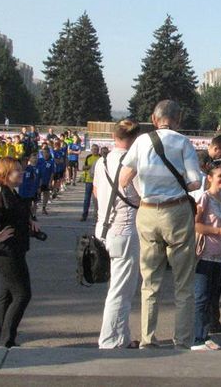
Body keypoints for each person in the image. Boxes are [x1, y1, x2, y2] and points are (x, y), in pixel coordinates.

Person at [119, 100, 203, 350]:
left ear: (154, 120)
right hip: (175, 212)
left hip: (146, 213)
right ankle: (182, 340)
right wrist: (175, 187)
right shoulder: (183, 143)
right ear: (177, 120)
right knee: (183, 282)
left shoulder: (142, 141)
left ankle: (148, 338)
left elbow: (124, 179)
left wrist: (145, 193)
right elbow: (196, 183)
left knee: (150, 280)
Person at [0, 157, 41, 348]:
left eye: (21, 170)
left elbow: (13, 217)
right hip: (6, 251)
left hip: (15, 249)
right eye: (16, 171)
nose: (21, 173)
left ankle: (1, 340)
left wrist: (30, 224)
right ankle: (7, 340)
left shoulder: (12, 192)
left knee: (7, 296)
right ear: (4, 174)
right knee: (22, 294)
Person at [95, 120, 141, 349]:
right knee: (121, 290)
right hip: (125, 230)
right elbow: (141, 196)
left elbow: (96, 192)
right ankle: (110, 340)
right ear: (135, 139)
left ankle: (121, 335)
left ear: (114, 136)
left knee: (118, 286)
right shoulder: (133, 164)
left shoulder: (102, 161)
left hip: (103, 227)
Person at [193, 160, 221, 350]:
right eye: (220, 176)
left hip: (218, 255)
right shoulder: (205, 198)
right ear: (209, 178)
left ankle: (205, 334)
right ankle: (197, 338)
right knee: (201, 296)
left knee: (212, 295)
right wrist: (218, 231)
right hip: (203, 254)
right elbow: (194, 225)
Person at [80, 144, 101, 221]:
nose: (95, 151)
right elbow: (83, 167)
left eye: (96, 149)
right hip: (89, 181)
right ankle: (84, 215)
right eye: (94, 149)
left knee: (98, 199)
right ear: (91, 150)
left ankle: (98, 216)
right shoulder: (88, 157)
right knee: (87, 199)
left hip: (98, 182)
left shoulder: (100, 157)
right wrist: (90, 166)